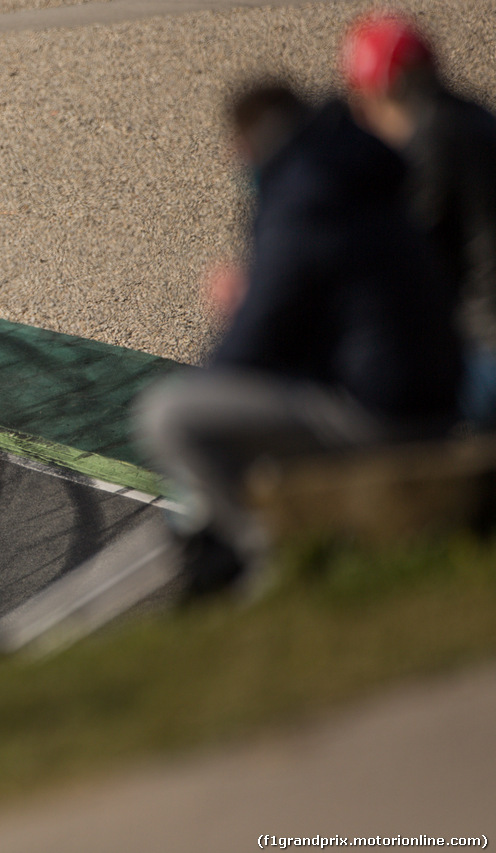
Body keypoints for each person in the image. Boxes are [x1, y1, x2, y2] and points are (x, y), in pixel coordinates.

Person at [134, 80, 462, 599]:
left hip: (384, 412)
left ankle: (274, 562)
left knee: (168, 413)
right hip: (436, 389)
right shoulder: (359, 170)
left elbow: (254, 342)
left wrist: (224, 338)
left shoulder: (303, 197)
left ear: (250, 144)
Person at [342, 9, 496, 429]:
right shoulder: (471, 117)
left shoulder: (433, 137)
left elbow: (407, 252)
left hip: (484, 347)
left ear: (384, 90)